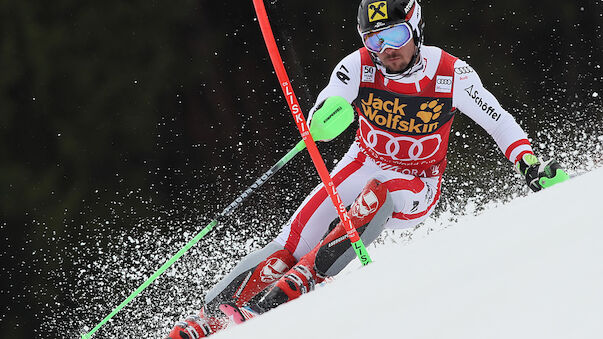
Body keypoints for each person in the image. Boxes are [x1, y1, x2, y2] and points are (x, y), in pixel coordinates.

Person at [166, 0, 569, 337]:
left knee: (377, 192)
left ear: (416, 29)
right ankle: (217, 313)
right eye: (375, 39)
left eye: (395, 35)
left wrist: (527, 162)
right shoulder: (359, 66)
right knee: (292, 240)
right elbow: (331, 99)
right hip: (361, 161)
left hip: (415, 182)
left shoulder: (450, 73)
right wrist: (326, 116)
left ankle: (300, 282)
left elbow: (497, 120)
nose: (386, 49)